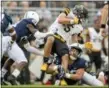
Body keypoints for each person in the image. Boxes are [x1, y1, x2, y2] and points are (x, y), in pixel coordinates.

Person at [41, 5, 88, 73]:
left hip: (62, 41)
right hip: (52, 34)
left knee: (65, 57)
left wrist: (83, 46)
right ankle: (45, 62)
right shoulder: (67, 11)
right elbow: (60, 20)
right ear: (79, 14)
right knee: (50, 39)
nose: (83, 18)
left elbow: (74, 40)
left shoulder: (79, 27)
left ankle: (62, 76)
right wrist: (72, 21)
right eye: (83, 16)